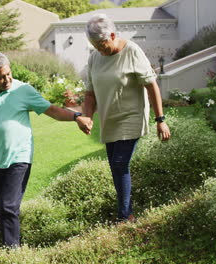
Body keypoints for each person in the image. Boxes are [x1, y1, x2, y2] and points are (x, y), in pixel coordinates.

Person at [0, 52, 92, 247]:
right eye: (0, 77)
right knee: (2, 210)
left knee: (9, 207)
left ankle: (12, 254)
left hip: (20, 157)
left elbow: (51, 110)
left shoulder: (23, 90)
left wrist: (76, 116)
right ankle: (12, 247)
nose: (6, 80)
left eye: (8, 74)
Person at [83, 14, 171, 222]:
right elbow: (90, 93)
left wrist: (161, 119)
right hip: (109, 120)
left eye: (102, 44)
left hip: (131, 116)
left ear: (113, 35)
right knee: (115, 166)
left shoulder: (132, 51)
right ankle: (125, 209)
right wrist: (87, 116)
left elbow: (151, 85)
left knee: (120, 163)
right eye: (95, 45)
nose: (99, 49)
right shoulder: (95, 57)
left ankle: (125, 216)